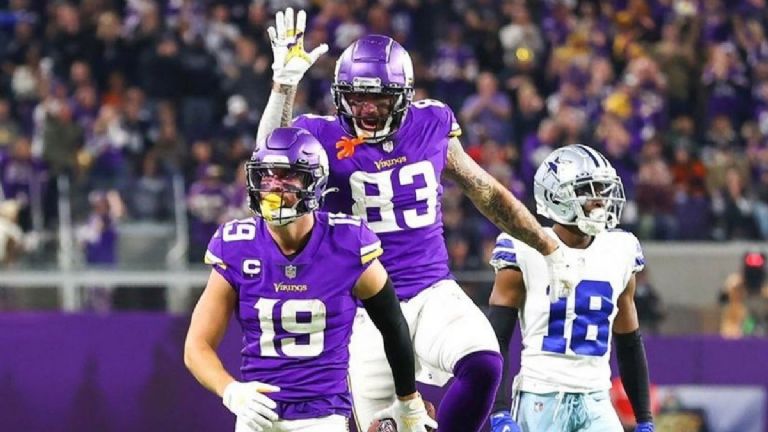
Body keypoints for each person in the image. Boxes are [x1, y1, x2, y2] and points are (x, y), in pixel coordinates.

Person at [255, 9, 581, 432]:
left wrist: (548, 245)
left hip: (430, 290)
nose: (367, 110)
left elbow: (485, 191)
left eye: (379, 98)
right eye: (357, 97)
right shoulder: (321, 136)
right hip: (362, 309)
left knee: (484, 364)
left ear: (404, 95)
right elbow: (271, 161)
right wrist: (284, 86)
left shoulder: (431, 123)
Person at [184, 127, 436, 432]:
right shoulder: (237, 244)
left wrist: (408, 400)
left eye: (287, 176)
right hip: (257, 414)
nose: (274, 187)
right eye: (266, 176)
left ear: (314, 183)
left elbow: (393, 325)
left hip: (321, 417)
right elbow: (196, 346)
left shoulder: (347, 242)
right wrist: (231, 390)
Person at [487, 144, 654, 432]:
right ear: (556, 196)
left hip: (597, 399)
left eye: (603, 189)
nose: (600, 199)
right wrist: (499, 410)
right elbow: (497, 339)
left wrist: (644, 418)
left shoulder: (621, 249)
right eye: (589, 190)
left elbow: (629, 341)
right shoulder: (523, 248)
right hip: (540, 397)